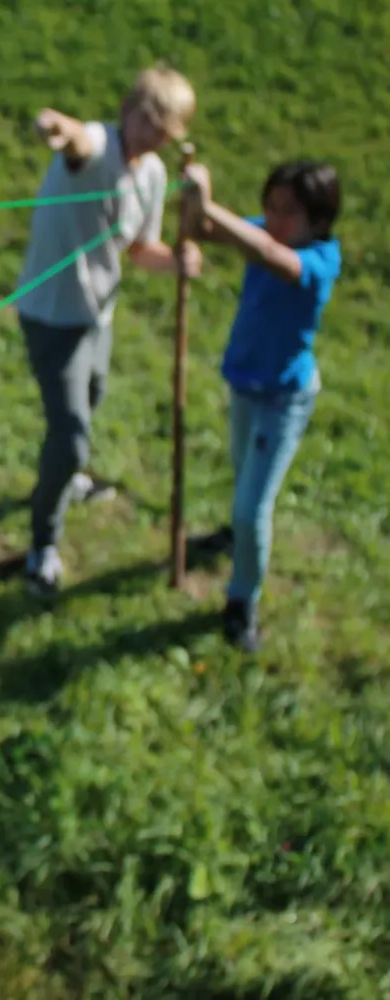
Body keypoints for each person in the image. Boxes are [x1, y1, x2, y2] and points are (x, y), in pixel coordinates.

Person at [17, 65, 203, 598]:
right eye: (147, 122)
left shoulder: (152, 175)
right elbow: (78, 141)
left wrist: (179, 261)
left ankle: (67, 478)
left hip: (98, 314)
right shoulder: (97, 147)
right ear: (126, 111)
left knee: (92, 398)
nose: (154, 137)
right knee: (71, 436)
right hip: (53, 317)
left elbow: (141, 248)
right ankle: (42, 548)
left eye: (165, 130)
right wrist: (59, 129)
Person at [182, 158, 342, 651]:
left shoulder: (319, 260)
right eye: (268, 207)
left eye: (287, 211)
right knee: (241, 475)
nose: (272, 218)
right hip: (245, 384)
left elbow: (272, 255)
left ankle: (241, 599)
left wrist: (210, 206)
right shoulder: (266, 233)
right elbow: (203, 230)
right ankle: (236, 534)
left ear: (318, 220)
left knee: (255, 506)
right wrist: (194, 198)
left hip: (283, 398)